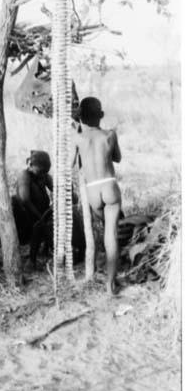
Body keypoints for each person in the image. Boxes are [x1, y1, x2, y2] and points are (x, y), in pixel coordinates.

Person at [72, 96, 122, 295]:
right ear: (101, 115)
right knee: (112, 235)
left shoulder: (77, 137)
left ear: (80, 117)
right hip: (109, 186)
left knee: (104, 232)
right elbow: (117, 158)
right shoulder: (110, 135)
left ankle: (103, 265)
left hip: (92, 190)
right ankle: (110, 283)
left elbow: (70, 164)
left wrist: (75, 132)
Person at [13, 150, 52, 246]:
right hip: (28, 219)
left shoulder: (44, 176)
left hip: (42, 216)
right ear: (31, 165)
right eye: (41, 171)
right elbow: (25, 200)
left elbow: (56, 188)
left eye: (45, 172)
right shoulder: (24, 175)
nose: (43, 175)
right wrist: (41, 219)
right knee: (13, 200)